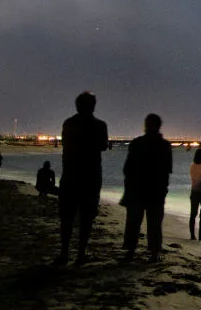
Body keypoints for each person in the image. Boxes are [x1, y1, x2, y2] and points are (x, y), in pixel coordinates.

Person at [56, 91, 109, 266]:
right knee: (86, 218)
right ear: (93, 106)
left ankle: (64, 252)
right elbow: (102, 146)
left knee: (67, 217)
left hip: (70, 174)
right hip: (91, 176)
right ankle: (80, 253)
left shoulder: (69, 123)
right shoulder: (100, 125)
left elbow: (66, 144)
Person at [121, 113, 173, 261]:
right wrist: (164, 188)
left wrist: (128, 187)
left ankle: (130, 251)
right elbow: (167, 170)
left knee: (133, 222)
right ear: (159, 126)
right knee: (155, 223)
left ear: (146, 126)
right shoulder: (165, 146)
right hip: (156, 190)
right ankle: (154, 253)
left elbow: (127, 168)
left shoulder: (137, 143)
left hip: (137, 188)